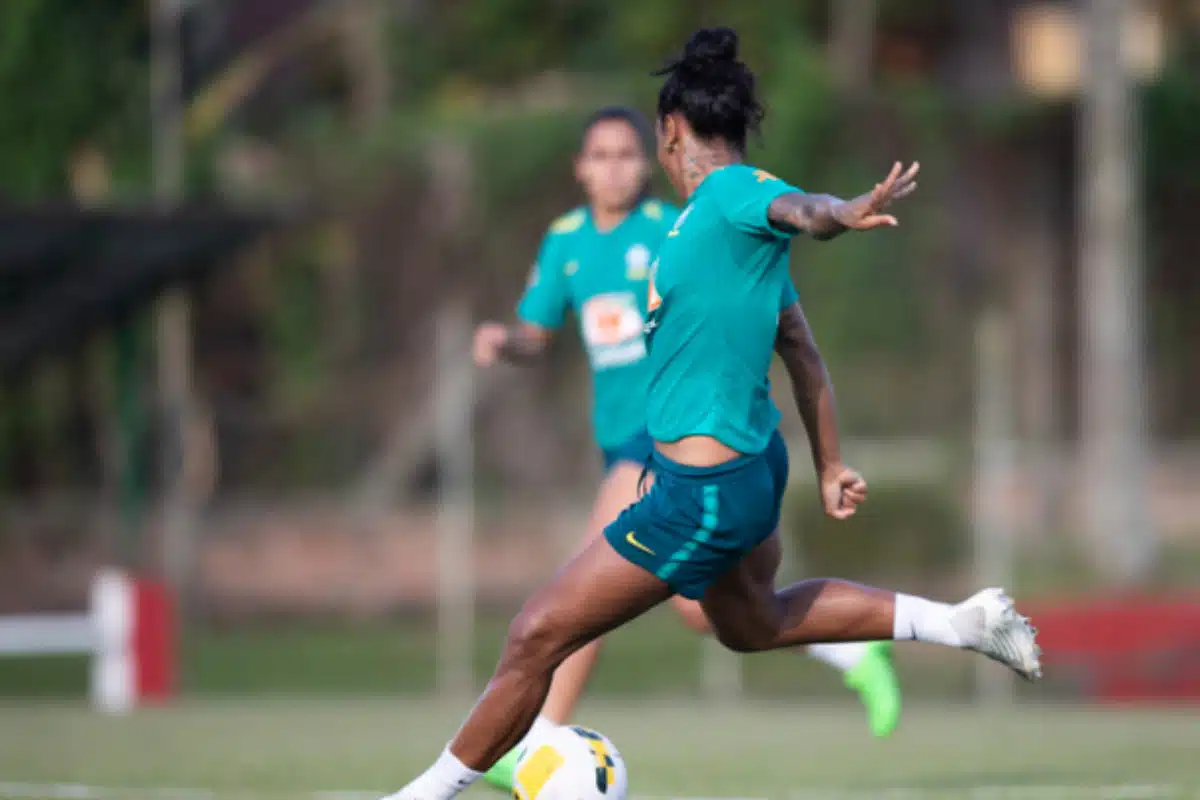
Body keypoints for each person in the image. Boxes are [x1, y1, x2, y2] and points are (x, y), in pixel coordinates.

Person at [384, 27, 1040, 800]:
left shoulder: (730, 196)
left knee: (535, 633)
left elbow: (798, 207)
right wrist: (828, 462)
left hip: (700, 494)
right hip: (751, 466)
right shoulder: (710, 230)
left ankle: (420, 796)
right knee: (748, 623)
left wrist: (843, 209)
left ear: (669, 132)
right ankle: (960, 623)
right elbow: (802, 349)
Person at [471, 105, 903, 791]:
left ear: (648, 160)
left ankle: (533, 739)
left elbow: (778, 251)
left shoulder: (674, 229)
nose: (614, 167)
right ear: (580, 168)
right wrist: (503, 342)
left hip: (670, 434)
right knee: (706, 613)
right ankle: (851, 648)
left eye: (625, 154)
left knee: (585, 575)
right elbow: (537, 334)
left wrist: (832, 215)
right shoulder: (568, 242)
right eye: (599, 155)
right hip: (620, 440)